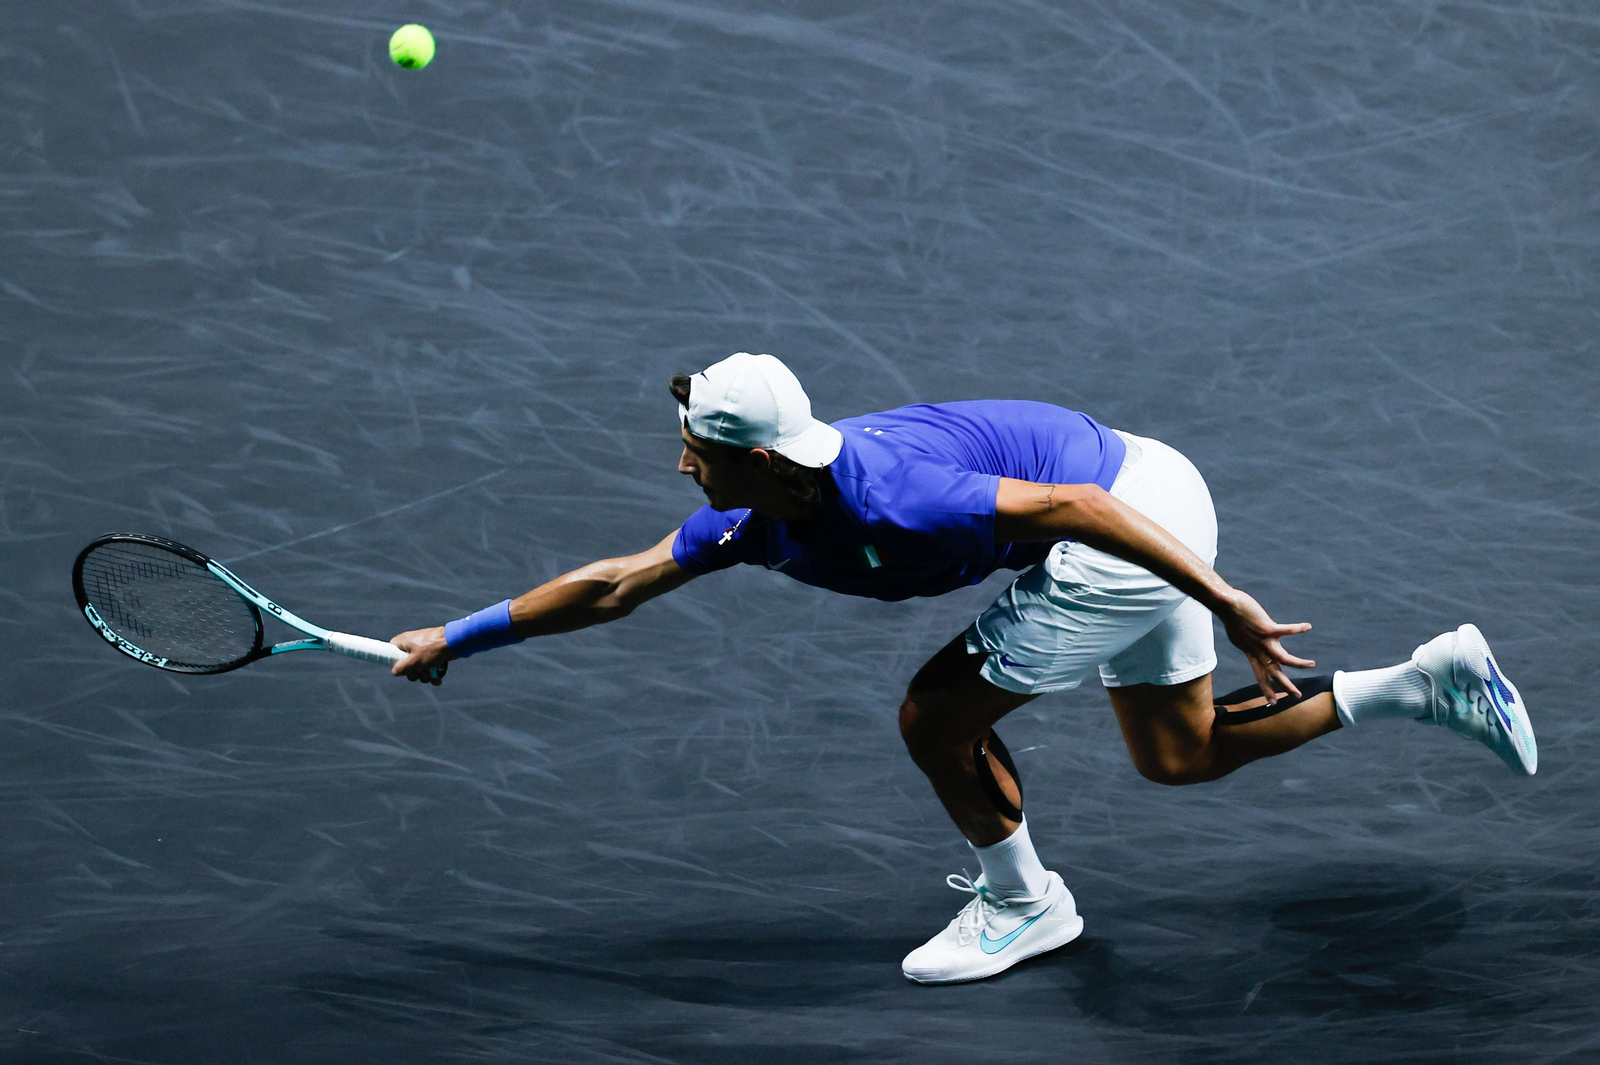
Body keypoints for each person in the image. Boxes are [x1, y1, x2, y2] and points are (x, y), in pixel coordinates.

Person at [390, 352, 1537, 985]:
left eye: (699, 446)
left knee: (935, 719)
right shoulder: (755, 517)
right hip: (1137, 496)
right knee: (1178, 758)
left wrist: (1228, 603)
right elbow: (613, 583)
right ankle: (1426, 681)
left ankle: (1023, 904)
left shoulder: (892, 494)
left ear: (767, 461)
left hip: (1122, 522)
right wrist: (456, 634)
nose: (679, 458)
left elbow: (1077, 505)